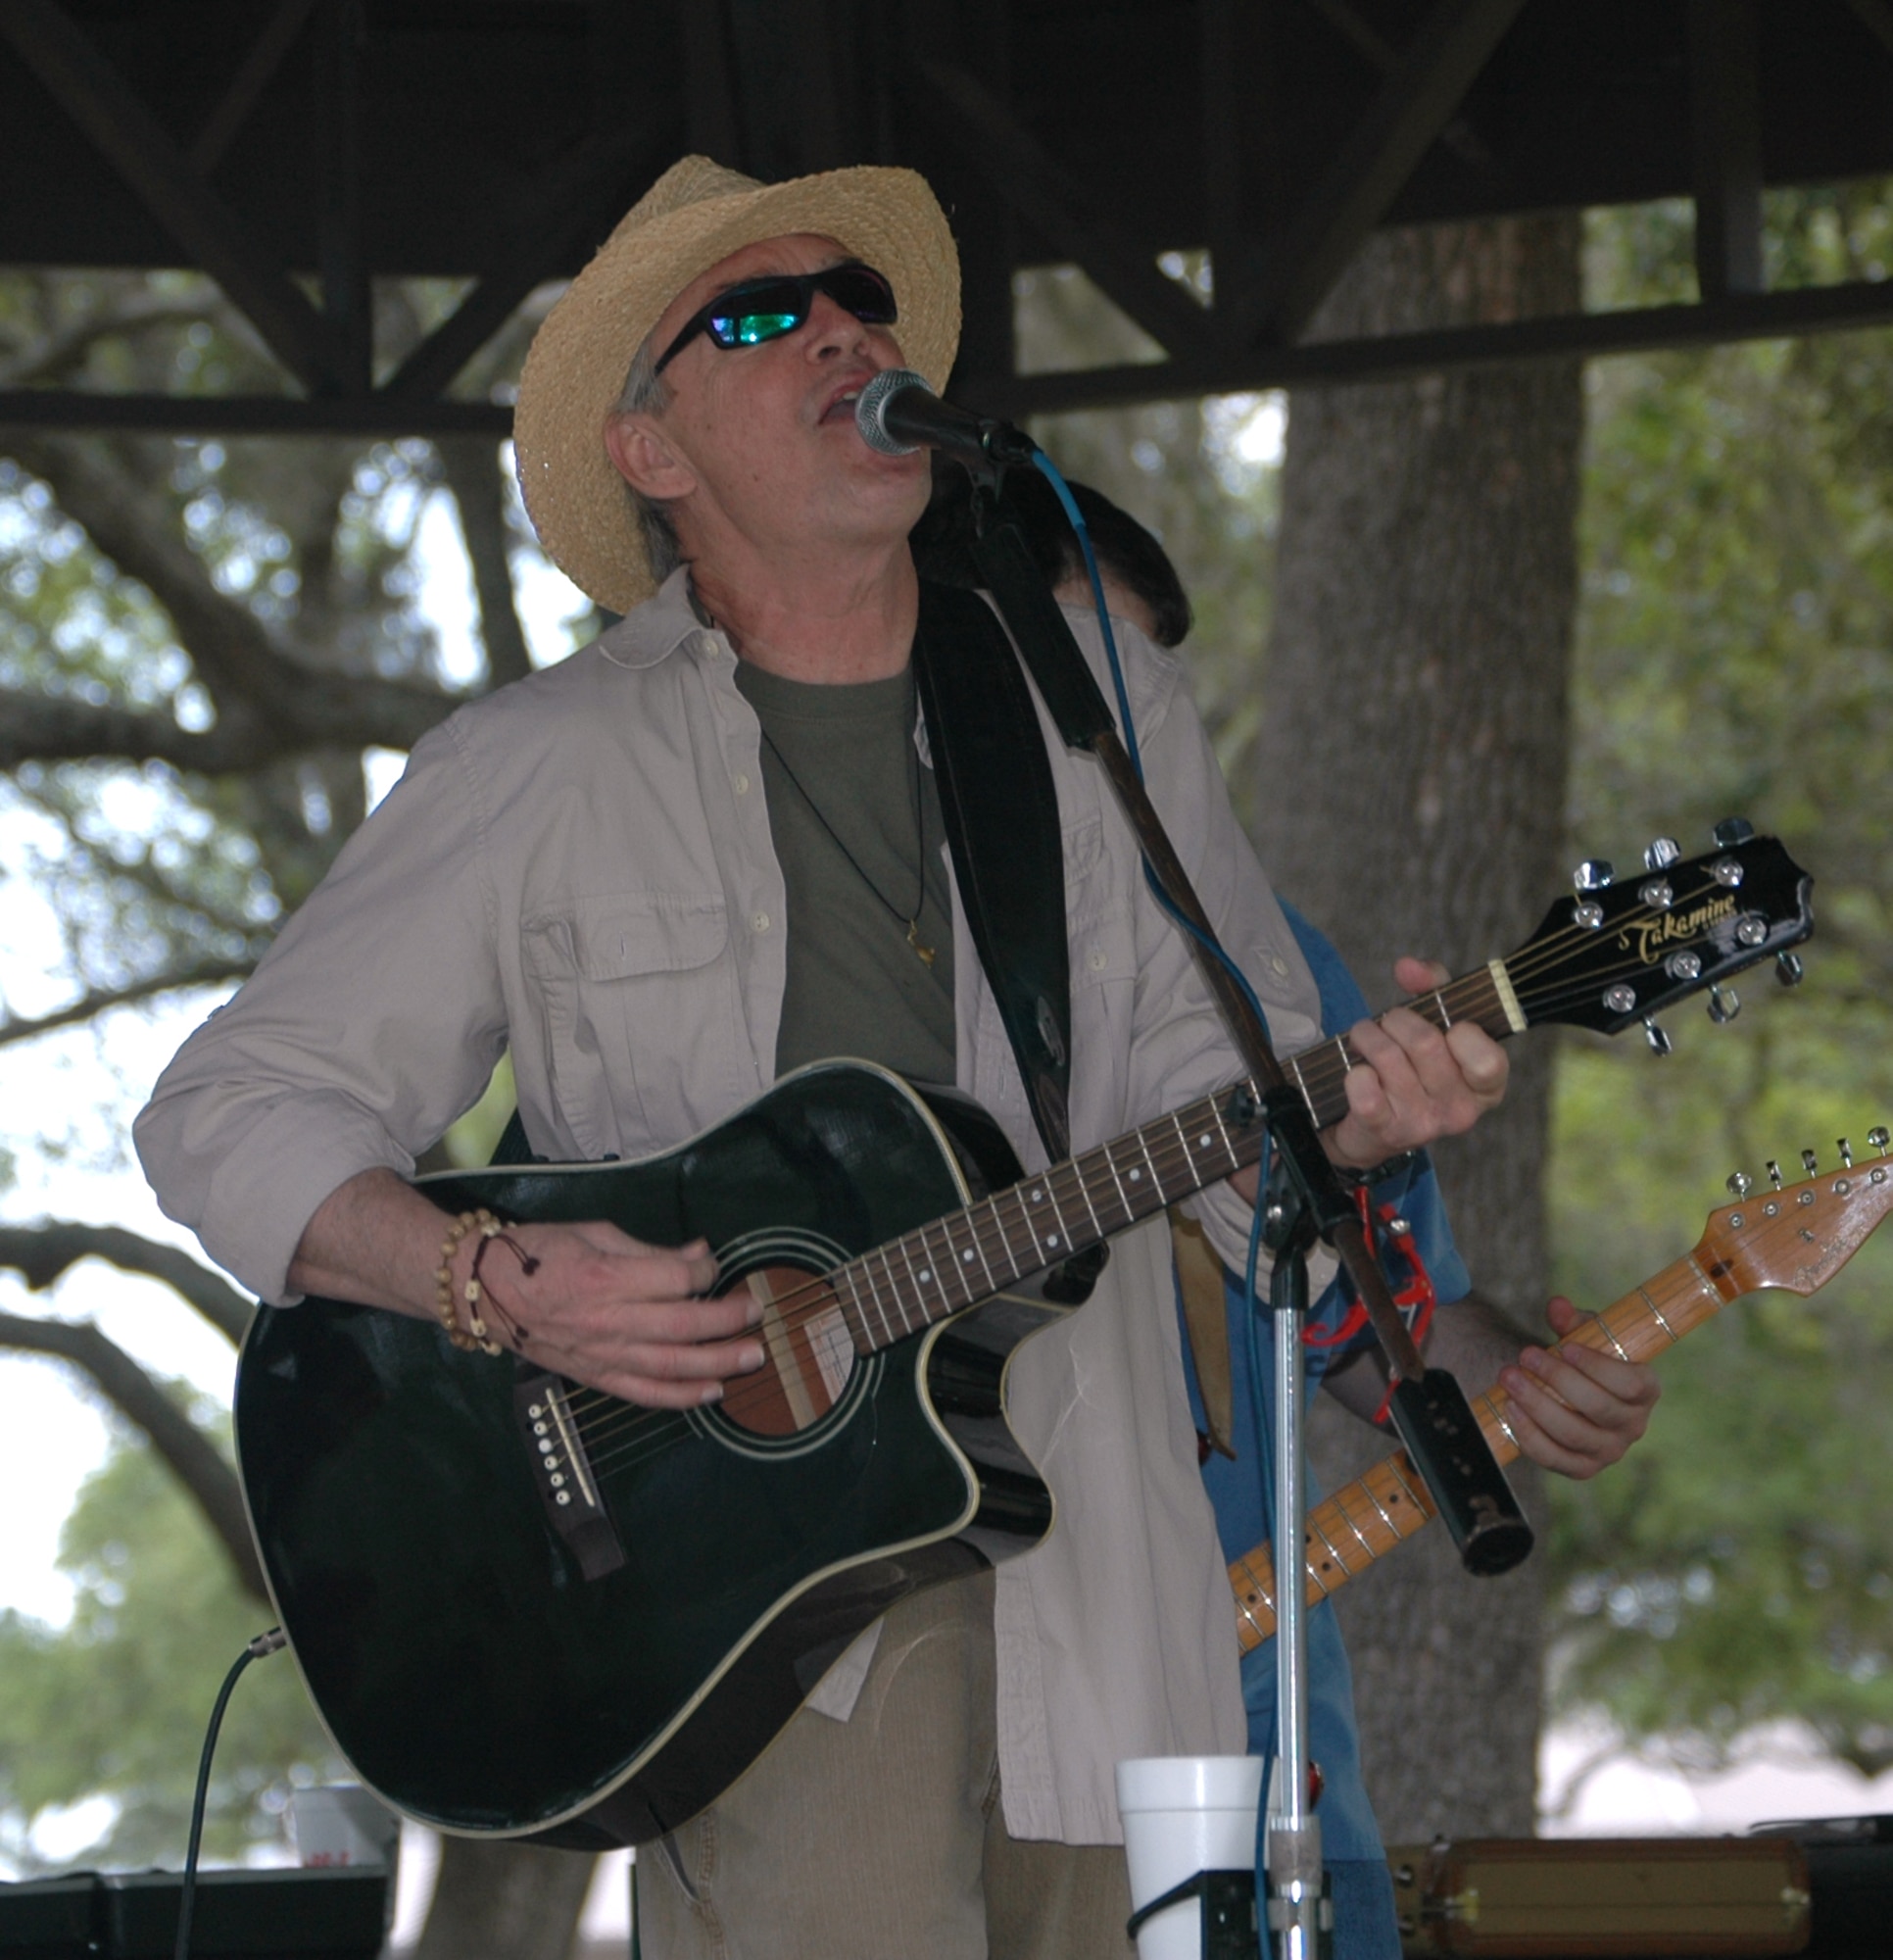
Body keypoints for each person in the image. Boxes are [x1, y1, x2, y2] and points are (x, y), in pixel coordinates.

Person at [135, 156, 1648, 1960]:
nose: (847, 327)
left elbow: (1220, 1076)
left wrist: (1370, 1112)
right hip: (752, 1631)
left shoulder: (1093, 694)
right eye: (766, 315)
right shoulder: (536, 770)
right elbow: (224, 1115)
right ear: (657, 453)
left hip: (1116, 1600)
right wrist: (493, 1277)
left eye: (857, 292)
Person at [918, 470, 1659, 1957]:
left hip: (1240, 1718)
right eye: (1061, 685)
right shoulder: (839, 956)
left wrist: (1524, 1383)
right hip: (919, 1699)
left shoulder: (1275, 978)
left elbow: (1376, 1333)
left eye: (1143, 702)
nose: (1107, 741)